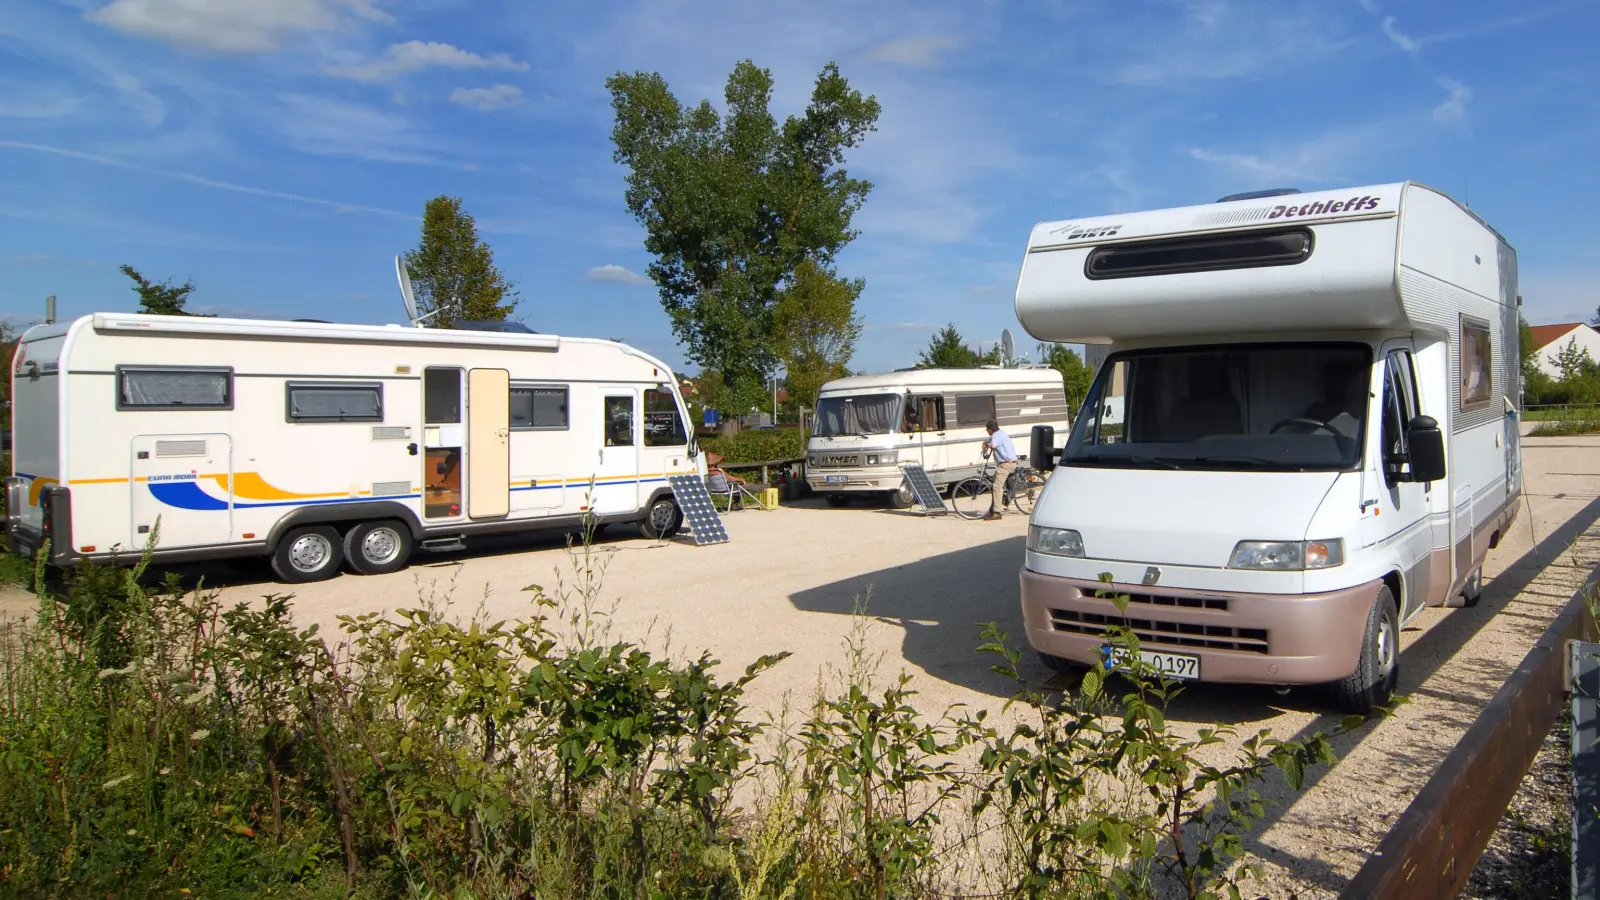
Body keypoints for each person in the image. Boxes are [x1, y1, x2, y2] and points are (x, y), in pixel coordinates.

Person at [981, 418, 1018, 521]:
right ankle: (994, 509)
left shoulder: (996, 435)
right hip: (1011, 462)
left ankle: (997, 513)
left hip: (1006, 464)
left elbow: (993, 444)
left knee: (996, 486)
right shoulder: (1000, 433)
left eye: (987, 430)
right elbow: (991, 441)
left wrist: (987, 445)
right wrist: (986, 442)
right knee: (995, 484)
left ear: (990, 430)